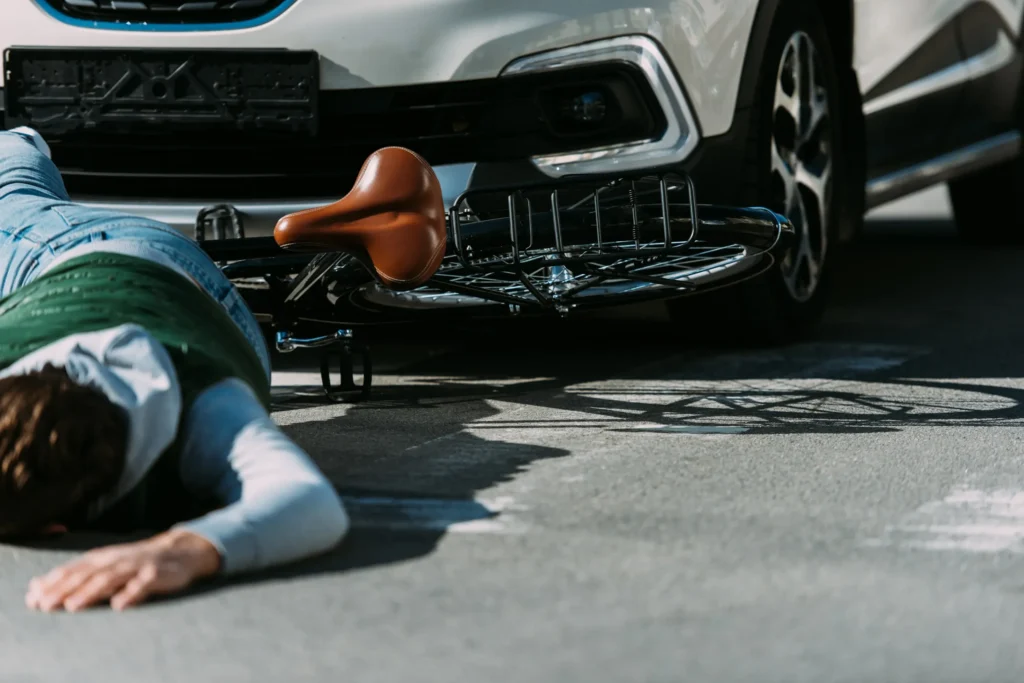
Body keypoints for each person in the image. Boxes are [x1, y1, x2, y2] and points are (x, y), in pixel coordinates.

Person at [0, 127, 350, 612]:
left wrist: (177, 552)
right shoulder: (209, 406)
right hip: (195, 310)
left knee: (9, 195)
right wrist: (190, 550)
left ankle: (16, 142)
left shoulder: (206, 404)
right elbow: (307, 502)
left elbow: (313, 505)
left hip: (79, 255)